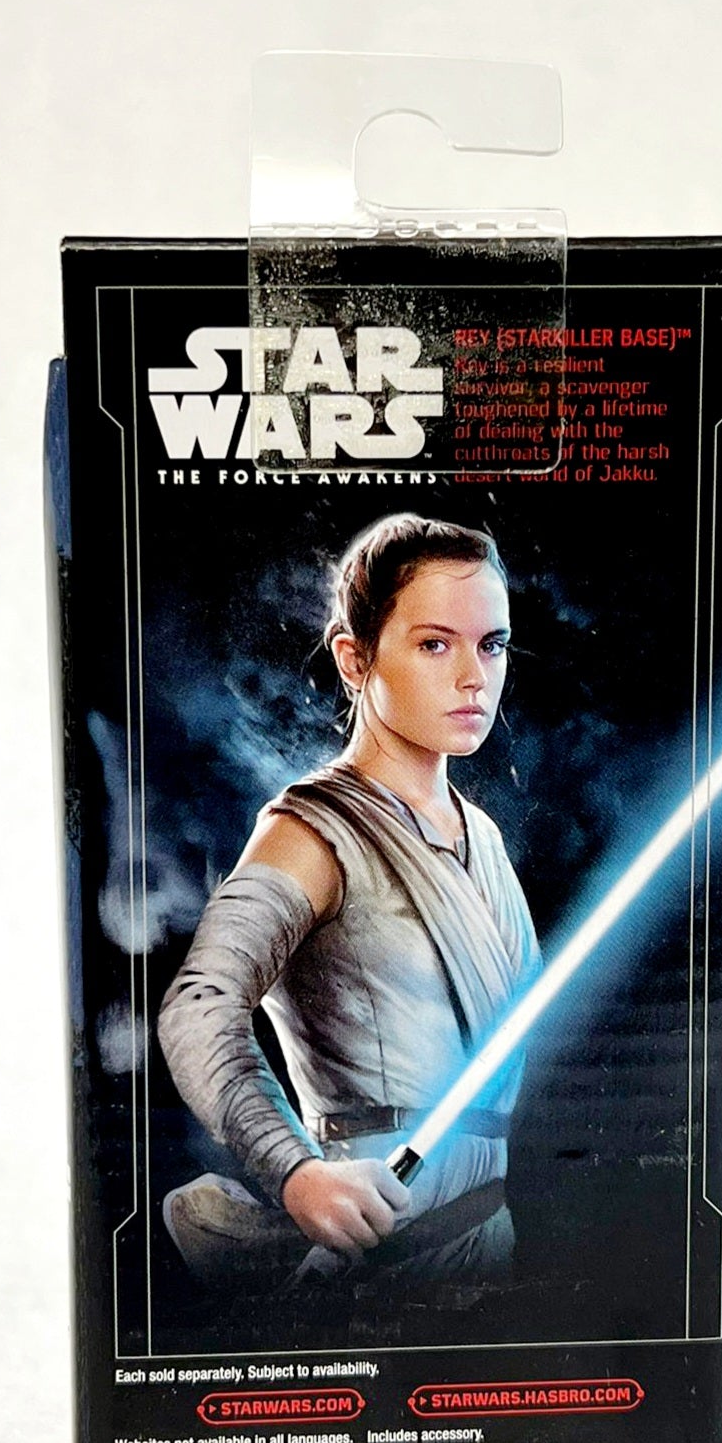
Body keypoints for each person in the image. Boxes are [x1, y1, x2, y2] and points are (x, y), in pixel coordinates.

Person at [158, 513, 538, 1289]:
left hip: (487, 1254)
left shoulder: (484, 839)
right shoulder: (312, 833)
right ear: (354, 658)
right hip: (375, 1272)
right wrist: (296, 1173)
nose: (474, 677)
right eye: (434, 644)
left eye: (491, 644)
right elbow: (198, 1006)